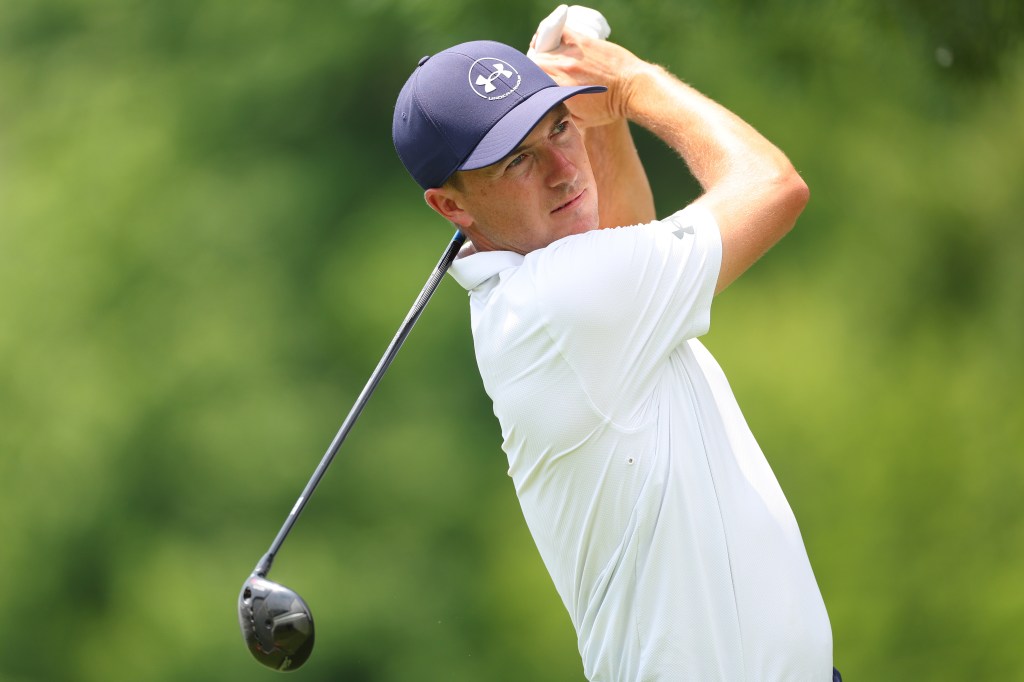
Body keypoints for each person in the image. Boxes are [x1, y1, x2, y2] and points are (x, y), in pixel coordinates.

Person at [392, 21, 838, 682]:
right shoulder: (554, 306)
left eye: (560, 129)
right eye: (518, 159)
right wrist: (630, 84)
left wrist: (599, 118)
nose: (562, 170)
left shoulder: (553, 295)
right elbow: (775, 188)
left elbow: (620, 236)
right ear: (448, 204)